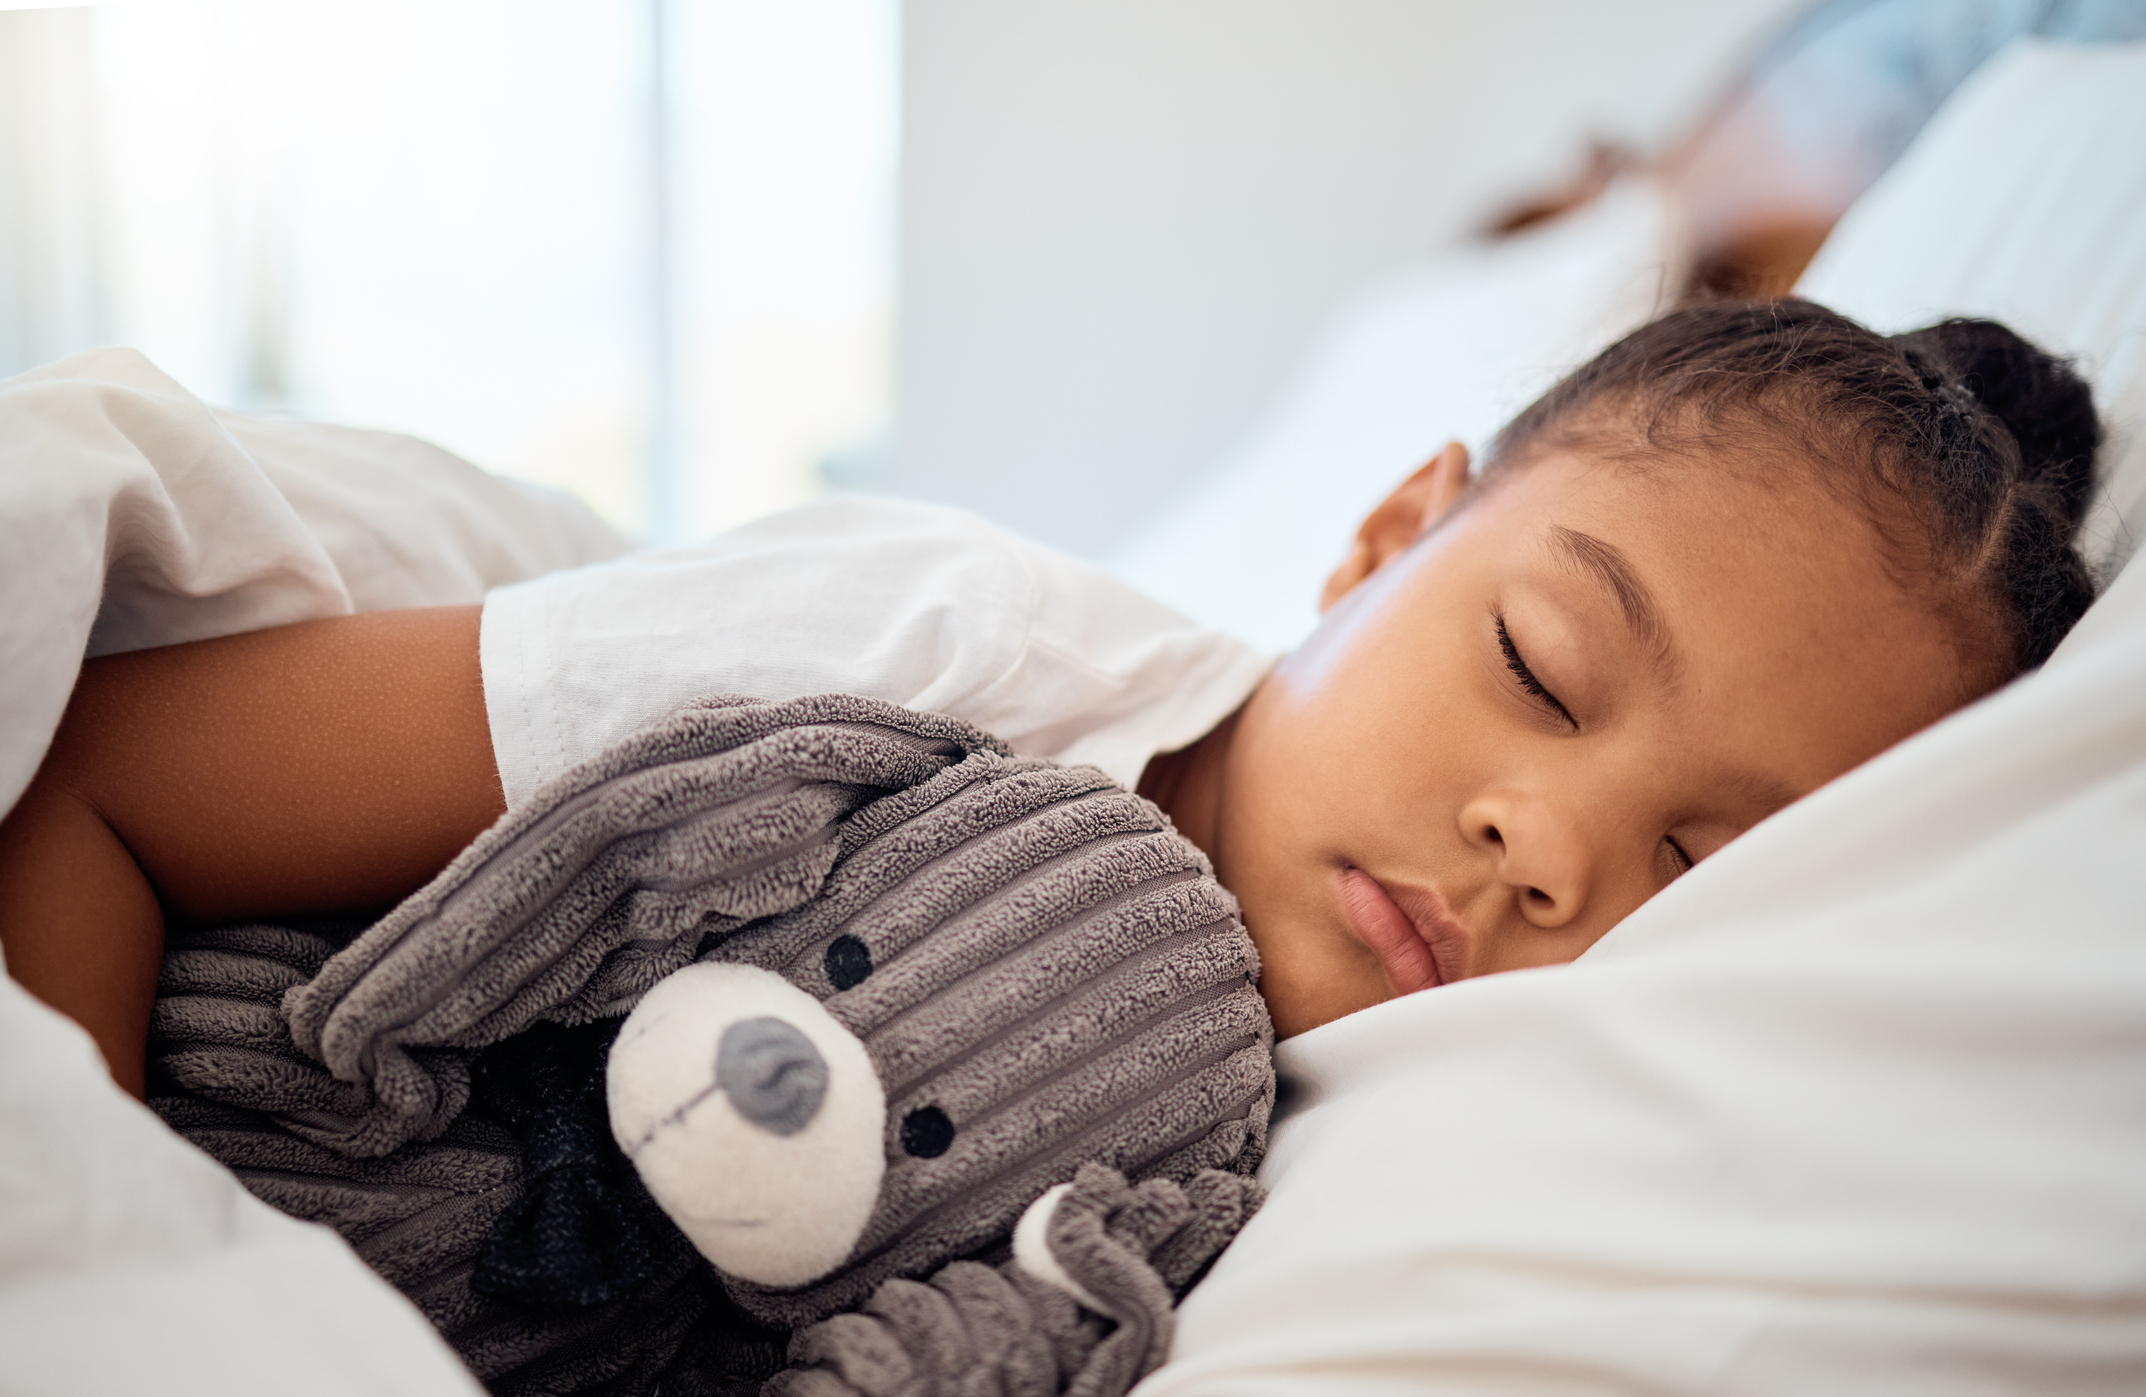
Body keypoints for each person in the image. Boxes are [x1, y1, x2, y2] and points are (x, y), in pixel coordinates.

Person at [0, 299, 2101, 1097]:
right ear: (1382, 538)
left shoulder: (1311, 1110)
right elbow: (101, 777)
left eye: (1693, 862)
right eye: (1542, 673)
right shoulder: (934, 655)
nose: (1547, 853)